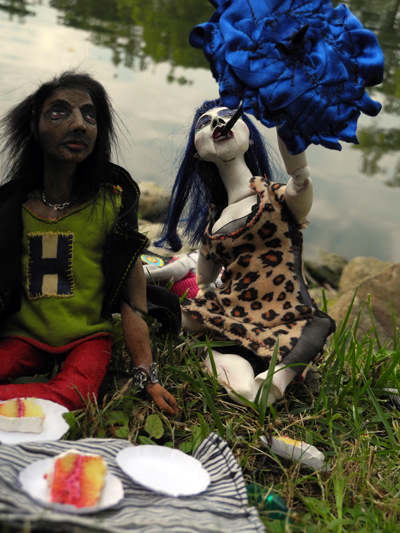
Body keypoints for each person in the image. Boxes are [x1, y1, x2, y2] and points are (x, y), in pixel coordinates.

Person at [0, 71, 179, 415]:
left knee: (75, 394)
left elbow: (133, 300)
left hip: (88, 339)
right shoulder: (14, 209)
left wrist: (148, 375)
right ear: (34, 127)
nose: (79, 124)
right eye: (59, 112)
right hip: (23, 335)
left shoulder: (112, 206)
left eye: (90, 115)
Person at [157, 98, 336, 406]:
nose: (216, 122)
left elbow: (300, 180)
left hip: (285, 313)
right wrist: (199, 289)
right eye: (204, 122)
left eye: (225, 115)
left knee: (317, 324)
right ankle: (216, 357)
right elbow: (204, 279)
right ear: (197, 151)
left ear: (249, 134)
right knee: (157, 301)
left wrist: (287, 118)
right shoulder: (214, 225)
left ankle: (274, 380)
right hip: (232, 310)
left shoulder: (277, 197)